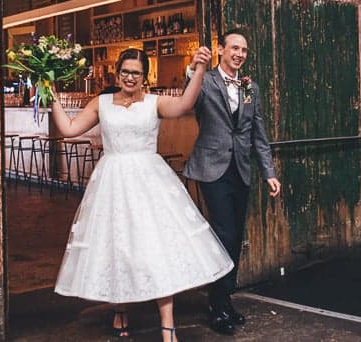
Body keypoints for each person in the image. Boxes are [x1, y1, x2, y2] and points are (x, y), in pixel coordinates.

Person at [50, 47, 233, 342]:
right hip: (112, 182)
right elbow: (69, 129)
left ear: (144, 77)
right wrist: (50, 94)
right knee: (117, 245)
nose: (130, 77)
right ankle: (120, 309)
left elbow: (184, 104)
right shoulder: (101, 103)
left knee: (156, 248)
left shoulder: (153, 102)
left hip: (150, 182)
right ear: (117, 73)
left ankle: (167, 325)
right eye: (125, 71)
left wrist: (199, 68)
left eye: (136, 73)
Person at [183, 28, 282, 335]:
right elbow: (190, 99)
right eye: (235, 48)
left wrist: (269, 172)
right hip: (211, 168)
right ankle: (217, 304)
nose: (240, 54)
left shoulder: (250, 87)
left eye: (244, 50)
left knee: (235, 235)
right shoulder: (206, 80)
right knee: (223, 232)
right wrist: (192, 70)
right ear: (221, 50)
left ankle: (225, 299)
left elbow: (258, 133)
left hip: (240, 168)